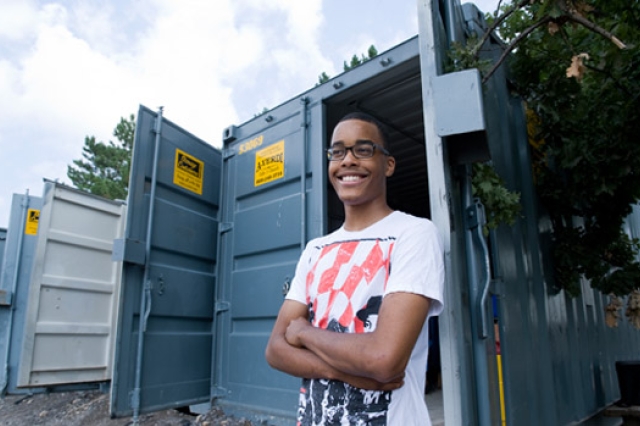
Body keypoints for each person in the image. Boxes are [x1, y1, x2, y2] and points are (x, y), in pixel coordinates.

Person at [265, 111, 445, 425]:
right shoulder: (315, 249)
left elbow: (383, 359)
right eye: (337, 151)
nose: (347, 160)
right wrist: (342, 371)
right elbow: (276, 350)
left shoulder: (414, 233)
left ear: (388, 164)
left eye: (363, 150)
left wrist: (305, 332)